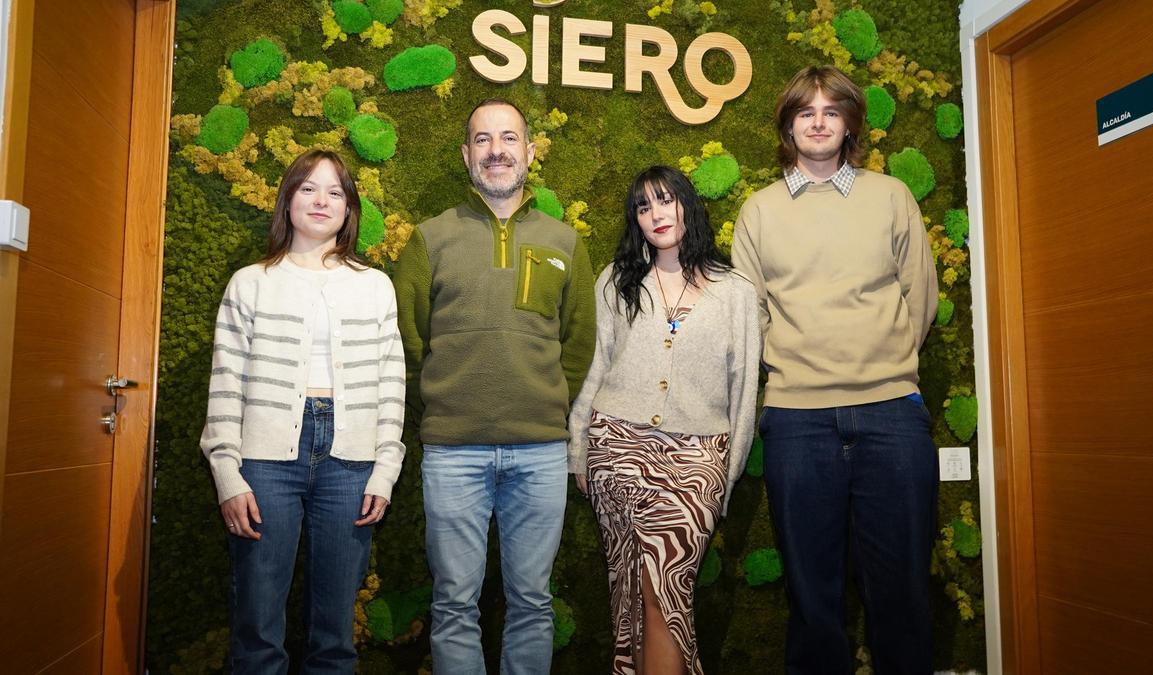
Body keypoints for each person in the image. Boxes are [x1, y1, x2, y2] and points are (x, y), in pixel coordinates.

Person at [731, 65, 939, 674]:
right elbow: (750, 313)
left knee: (901, 592)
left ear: (849, 122)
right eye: (805, 112)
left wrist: (884, 361)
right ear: (788, 127)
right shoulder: (760, 211)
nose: (817, 122)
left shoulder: (891, 197)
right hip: (797, 421)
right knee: (812, 597)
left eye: (830, 110)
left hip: (892, 415)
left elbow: (918, 297)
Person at [392, 98, 596, 674]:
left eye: (509, 138)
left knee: (532, 601)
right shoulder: (430, 239)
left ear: (530, 152)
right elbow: (409, 339)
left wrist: (545, 401)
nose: (497, 150)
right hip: (453, 452)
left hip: (540, 452)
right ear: (465, 155)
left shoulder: (565, 242)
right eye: (483, 140)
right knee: (454, 602)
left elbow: (579, 343)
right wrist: (439, 398)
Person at [200, 149, 406, 674]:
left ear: (349, 208)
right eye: (309, 188)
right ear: (287, 199)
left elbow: (391, 382)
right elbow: (226, 382)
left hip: (351, 457)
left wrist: (385, 469)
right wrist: (228, 473)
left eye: (335, 191)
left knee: (336, 630)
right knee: (257, 623)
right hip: (265, 460)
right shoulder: (251, 282)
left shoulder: (374, 285)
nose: (321, 201)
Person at [569, 166, 761, 675]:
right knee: (629, 595)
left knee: (664, 592)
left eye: (666, 200)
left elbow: (745, 393)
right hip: (617, 448)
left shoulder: (736, 292)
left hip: (696, 459)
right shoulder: (616, 280)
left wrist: (727, 475)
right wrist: (579, 451)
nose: (656, 214)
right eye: (643, 206)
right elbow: (594, 368)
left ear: (688, 206)